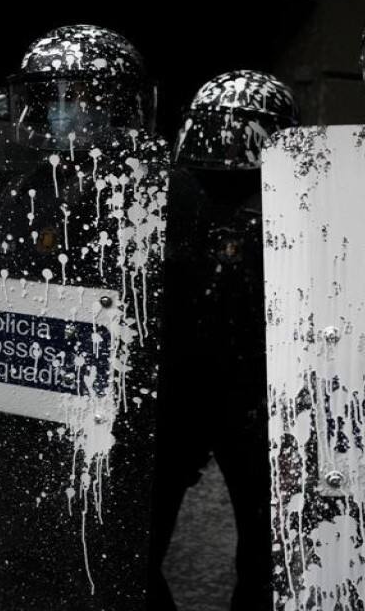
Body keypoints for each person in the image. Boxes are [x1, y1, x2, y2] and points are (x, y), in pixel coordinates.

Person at [152, 70, 299, 611]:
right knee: (133, 547)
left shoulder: (298, 197)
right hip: (180, 387)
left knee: (269, 559)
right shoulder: (170, 192)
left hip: (258, 395)